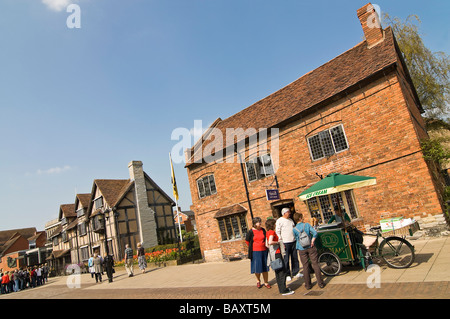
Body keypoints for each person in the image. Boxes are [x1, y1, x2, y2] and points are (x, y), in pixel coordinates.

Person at [293, 213, 325, 290]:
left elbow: (296, 238)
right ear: (300, 218)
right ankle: (320, 283)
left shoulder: (294, 229)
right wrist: (312, 241)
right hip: (310, 247)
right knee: (315, 264)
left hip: (301, 248)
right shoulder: (306, 225)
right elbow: (315, 233)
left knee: (305, 266)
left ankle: (308, 285)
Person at [266, 218, 294, 296]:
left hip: (273, 254)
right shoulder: (271, 232)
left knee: (278, 272)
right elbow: (270, 242)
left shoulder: (267, 232)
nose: (275, 225)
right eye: (274, 223)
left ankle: (282, 288)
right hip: (277, 254)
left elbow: (266, 244)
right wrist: (278, 242)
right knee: (282, 272)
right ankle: (283, 290)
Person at [276, 207, 301, 281]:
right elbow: (277, 232)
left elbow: (294, 228)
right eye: (288, 212)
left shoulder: (290, 220)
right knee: (286, 259)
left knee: (295, 257)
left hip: (293, 241)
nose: (289, 213)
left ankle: (295, 272)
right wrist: (281, 241)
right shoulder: (279, 221)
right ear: (284, 213)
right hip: (285, 242)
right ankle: (287, 274)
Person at [245, 217, 271, 289]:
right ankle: (258, 281)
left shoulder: (263, 230)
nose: (260, 223)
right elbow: (247, 241)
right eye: (258, 222)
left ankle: (266, 282)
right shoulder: (250, 232)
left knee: (265, 267)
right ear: (254, 224)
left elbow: (266, 238)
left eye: (260, 222)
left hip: (264, 251)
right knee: (257, 267)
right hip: (255, 252)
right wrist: (253, 247)